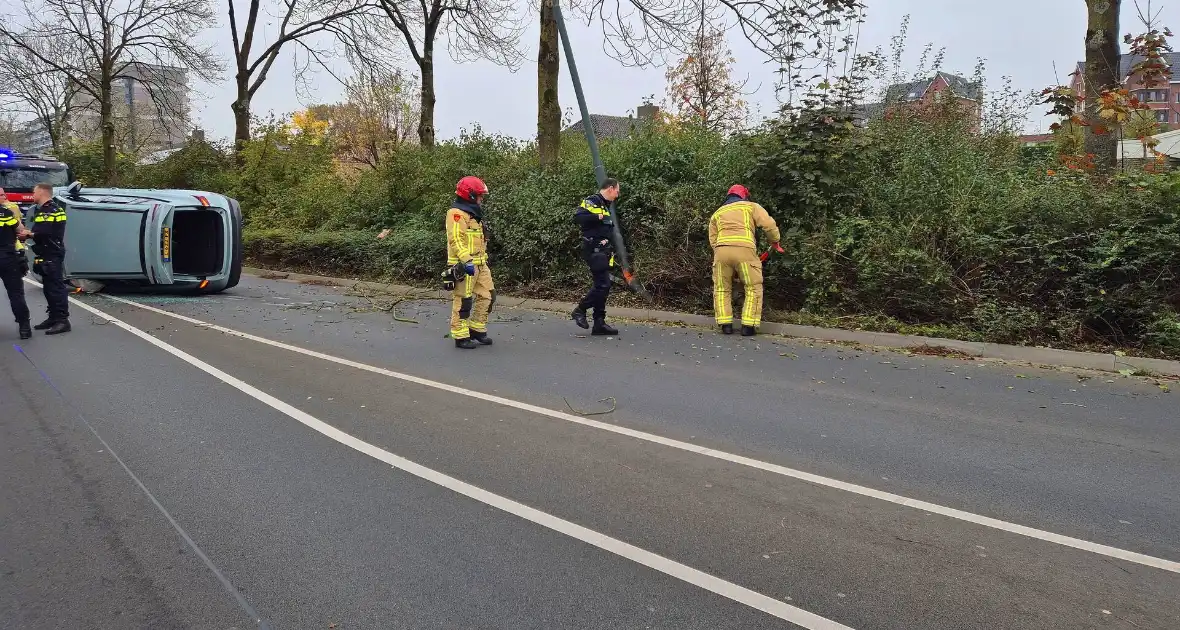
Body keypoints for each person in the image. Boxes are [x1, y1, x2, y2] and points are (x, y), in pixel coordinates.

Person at [709, 184, 780, 336]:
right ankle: (748, 327)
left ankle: (725, 325)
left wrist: (722, 254)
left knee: (722, 288)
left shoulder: (718, 213)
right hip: (745, 250)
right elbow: (768, 225)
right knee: (753, 287)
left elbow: (713, 239)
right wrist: (775, 240)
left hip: (721, 252)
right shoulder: (751, 207)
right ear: (744, 196)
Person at [446, 176, 494, 350]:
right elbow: (456, 240)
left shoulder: (473, 213)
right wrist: (466, 260)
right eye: (480, 195)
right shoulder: (457, 214)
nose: (482, 199)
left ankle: (477, 329)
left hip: (481, 263)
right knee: (463, 300)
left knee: (488, 296)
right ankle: (460, 335)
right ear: (470, 195)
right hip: (465, 264)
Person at [570, 178, 621, 336]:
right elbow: (578, 217)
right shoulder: (592, 201)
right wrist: (596, 217)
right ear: (610, 188)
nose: (617, 195)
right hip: (594, 250)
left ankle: (599, 323)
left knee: (603, 286)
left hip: (604, 252)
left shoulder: (606, 205)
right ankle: (580, 310)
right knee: (603, 285)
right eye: (617, 191)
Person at [27, 182, 70, 335]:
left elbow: (44, 233)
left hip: (52, 253)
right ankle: (53, 317)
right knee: (48, 288)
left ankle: (62, 321)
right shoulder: (47, 210)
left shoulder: (49, 211)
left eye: (34, 192)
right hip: (47, 252)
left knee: (55, 288)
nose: (33, 195)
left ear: (42, 193)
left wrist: (28, 234)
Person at [0, 198, 31, 339]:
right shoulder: (6, 213)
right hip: (8, 257)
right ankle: (24, 328)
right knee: (15, 293)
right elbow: (20, 230)